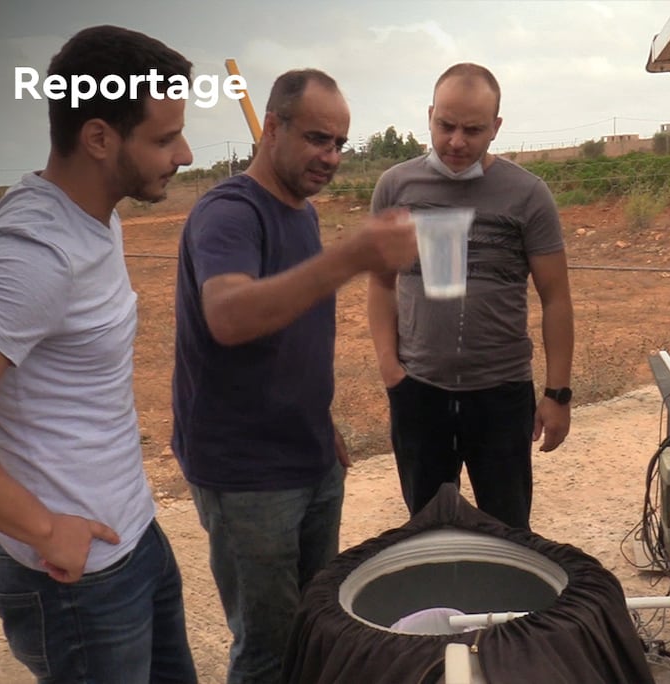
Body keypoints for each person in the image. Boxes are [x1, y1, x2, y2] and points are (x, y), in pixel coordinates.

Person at [0, 25, 198, 683]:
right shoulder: (33, 253)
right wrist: (45, 528)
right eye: (164, 139)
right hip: (77, 583)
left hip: (131, 539)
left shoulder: (93, 214)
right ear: (100, 138)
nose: (186, 154)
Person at [170, 69, 417, 684]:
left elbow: (291, 338)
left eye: (338, 144)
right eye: (315, 139)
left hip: (309, 457)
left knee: (316, 626)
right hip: (248, 475)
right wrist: (352, 257)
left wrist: (320, 421)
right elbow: (229, 316)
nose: (329, 157)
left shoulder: (301, 215)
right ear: (271, 128)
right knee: (268, 649)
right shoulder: (227, 213)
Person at [367, 63, 575, 530]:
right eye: (446, 126)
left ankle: (505, 606)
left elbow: (556, 297)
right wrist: (390, 369)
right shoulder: (396, 188)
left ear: (496, 128)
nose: (457, 142)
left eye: (473, 130)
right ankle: (438, 607)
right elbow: (380, 284)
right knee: (427, 529)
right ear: (429, 116)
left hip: (501, 396)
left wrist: (557, 394)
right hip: (420, 394)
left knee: (506, 533)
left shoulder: (528, 195)